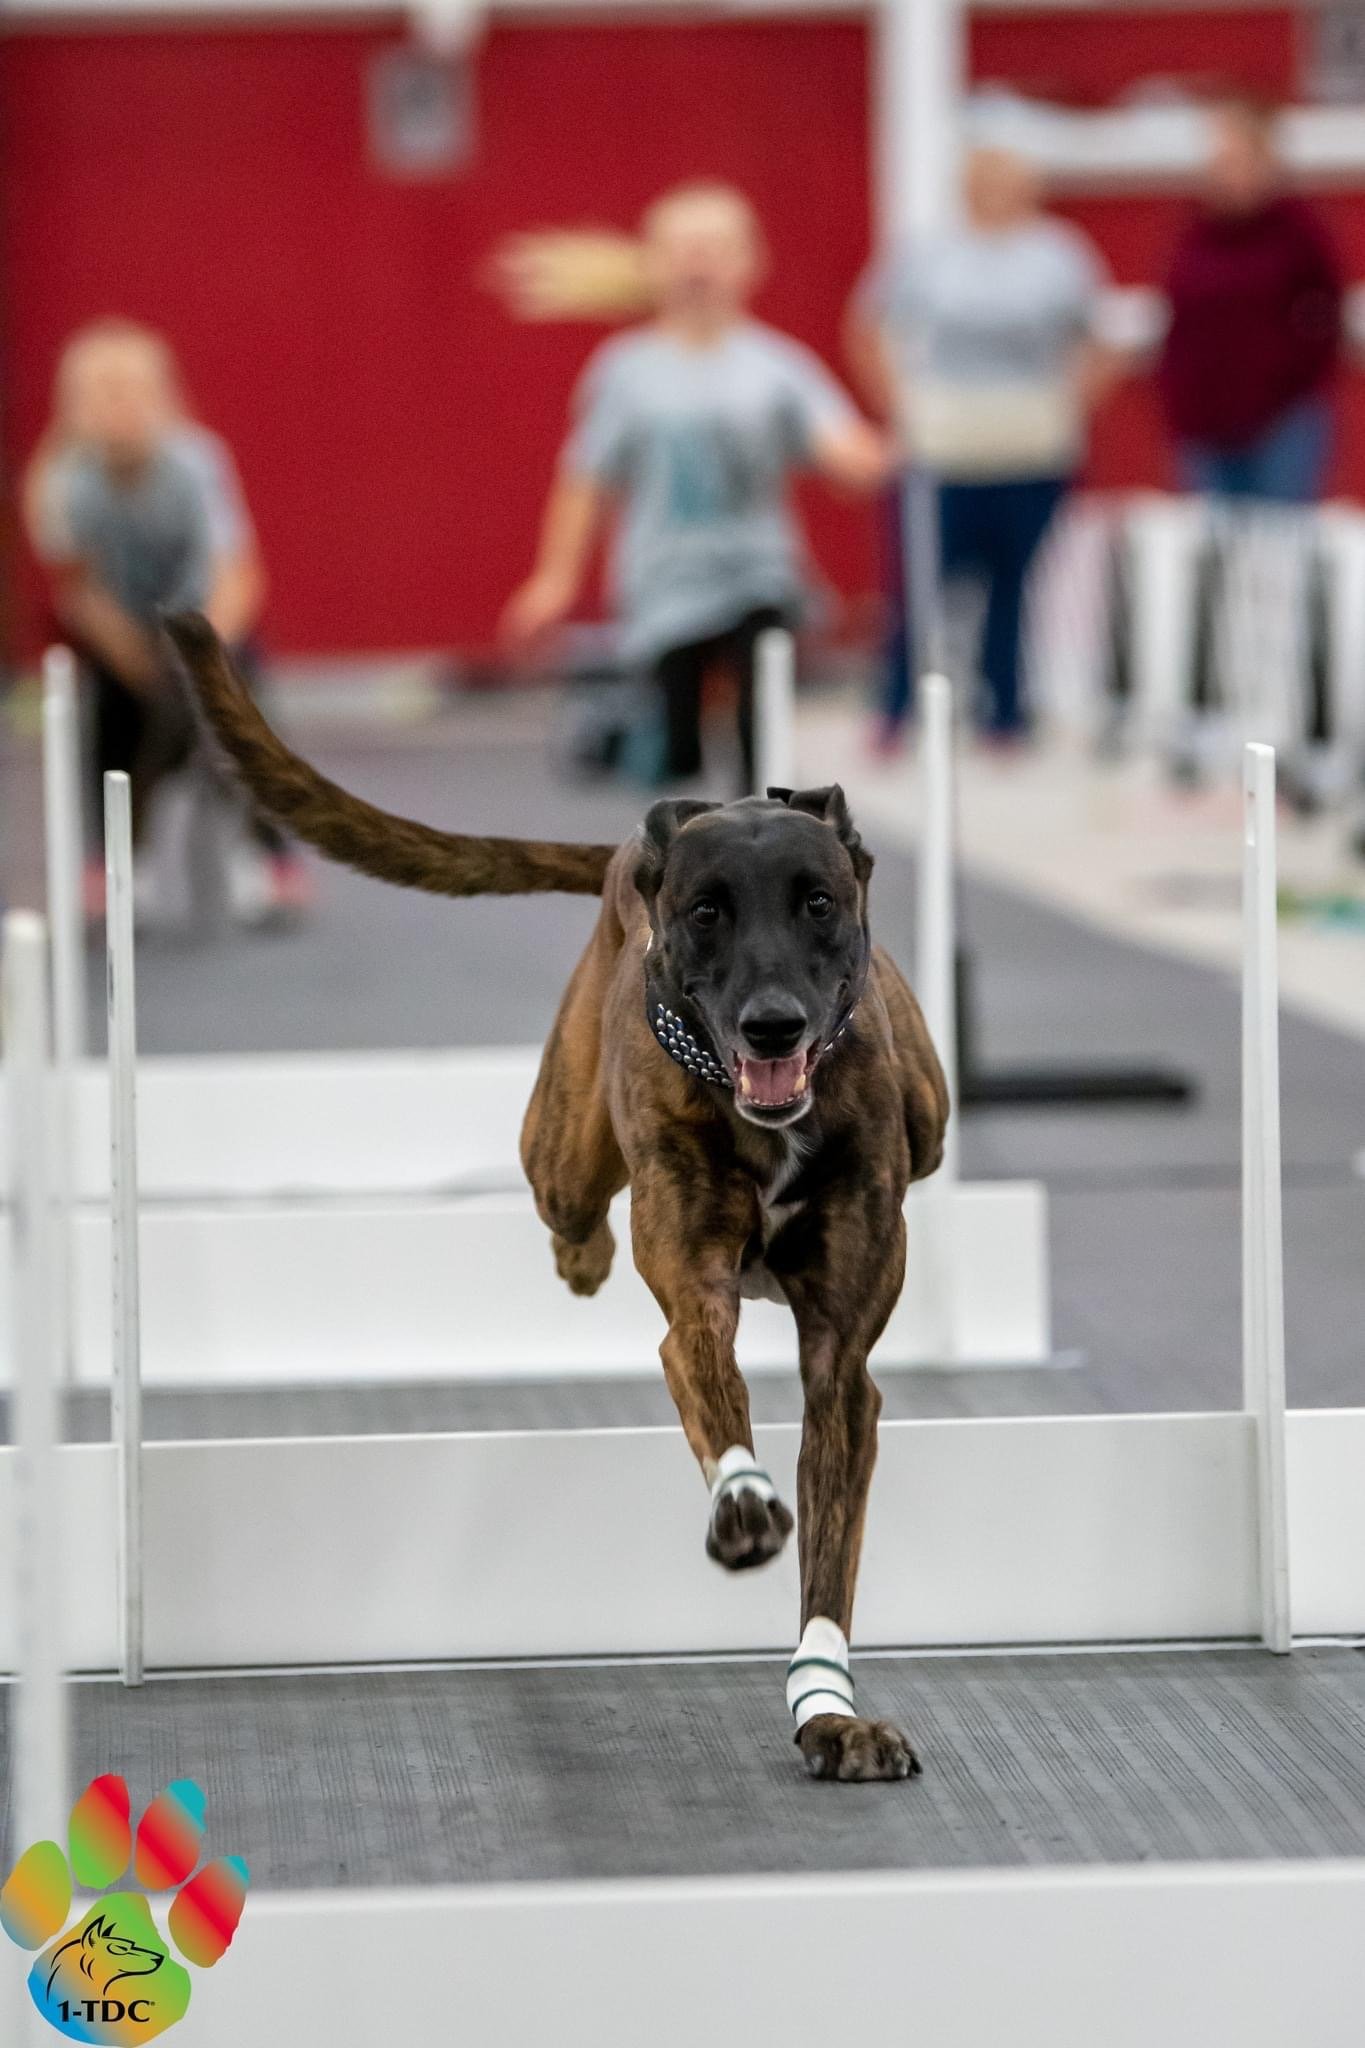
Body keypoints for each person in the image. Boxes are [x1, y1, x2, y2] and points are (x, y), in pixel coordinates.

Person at [503, 182, 890, 791]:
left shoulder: (776, 366)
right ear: (653, 263)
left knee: (756, 726)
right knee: (675, 749)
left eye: (714, 249)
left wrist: (862, 457)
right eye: (682, 249)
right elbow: (586, 479)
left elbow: (833, 437)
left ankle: (760, 843)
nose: (698, 264)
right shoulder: (626, 371)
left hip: (756, 572)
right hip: (664, 579)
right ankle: (666, 816)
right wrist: (555, 577)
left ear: (749, 263)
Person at [24, 319, 311, 922]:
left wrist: (203, 655)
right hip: (125, 635)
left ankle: (267, 856)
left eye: (131, 392)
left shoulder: (196, 463)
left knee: (244, 727)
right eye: (101, 394)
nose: (118, 408)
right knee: (112, 728)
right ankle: (121, 861)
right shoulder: (63, 483)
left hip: (208, 626)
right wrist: (135, 661)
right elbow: (80, 591)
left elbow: (237, 573)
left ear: (163, 398)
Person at [847, 144, 1114, 745]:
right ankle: (897, 707)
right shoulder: (927, 253)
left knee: (1013, 585)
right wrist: (899, 406)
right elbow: (866, 326)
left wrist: (1068, 405)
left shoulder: (1059, 254)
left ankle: (1006, 710)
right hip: (943, 445)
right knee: (918, 585)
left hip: (1031, 445)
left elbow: (1097, 341)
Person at [1159, 95, 1342, 503]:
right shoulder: (1195, 233)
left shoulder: (1297, 229)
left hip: (1280, 423)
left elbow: (1326, 312)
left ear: (1265, 161)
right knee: (1212, 552)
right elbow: (1180, 317)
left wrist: (1291, 380)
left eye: (1236, 159)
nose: (1225, 173)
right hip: (1202, 423)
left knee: (1279, 549)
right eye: (1219, 161)